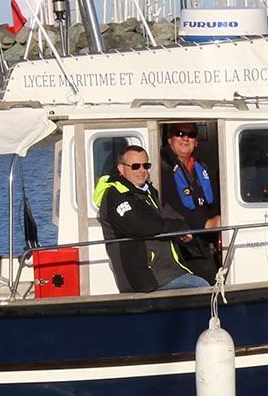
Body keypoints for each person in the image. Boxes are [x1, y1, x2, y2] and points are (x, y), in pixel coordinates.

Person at [94, 144, 209, 292]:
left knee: (207, 271)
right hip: (146, 278)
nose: (142, 171)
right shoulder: (115, 196)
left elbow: (157, 224)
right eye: (135, 166)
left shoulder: (147, 190)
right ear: (121, 169)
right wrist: (177, 227)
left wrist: (179, 234)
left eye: (146, 165)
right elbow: (140, 225)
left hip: (166, 270)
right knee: (202, 287)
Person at [159, 122, 221, 281]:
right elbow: (168, 205)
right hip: (182, 244)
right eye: (179, 134)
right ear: (169, 138)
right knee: (207, 273)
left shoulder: (202, 167)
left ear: (197, 140)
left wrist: (217, 222)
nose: (185, 138)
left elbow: (211, 204)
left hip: (204, 241)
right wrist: (205, 224)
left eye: (191, 135)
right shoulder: (161, 169)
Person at [239, 130, 268, 203]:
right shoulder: (244, 164)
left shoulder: (267, 162)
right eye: (266, 140)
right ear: (256, 141)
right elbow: (249, 194)